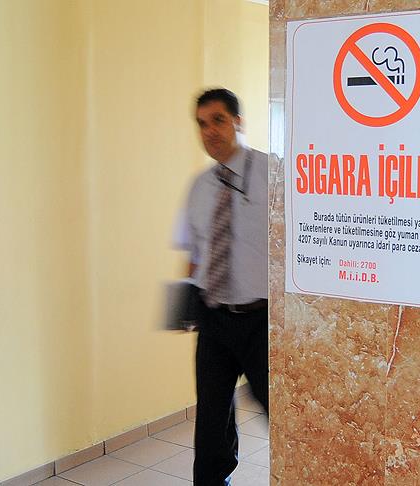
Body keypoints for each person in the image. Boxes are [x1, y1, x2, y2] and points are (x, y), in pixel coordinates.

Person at [182, 88, 271, 485]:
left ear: (238, 122)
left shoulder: (272, 174)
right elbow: (196, 250)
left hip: (261, 321)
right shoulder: (200, 187)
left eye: (218, 120)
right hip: (214, 319)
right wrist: (188, 298)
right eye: (202, 124)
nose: (210, 131)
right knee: (211, 422)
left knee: (282, 410)